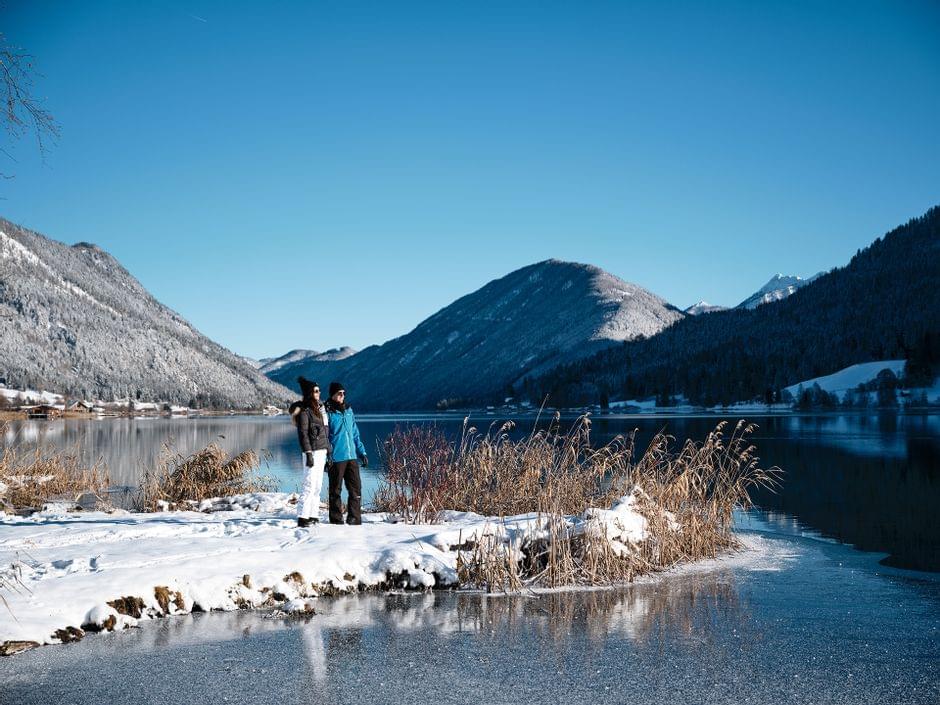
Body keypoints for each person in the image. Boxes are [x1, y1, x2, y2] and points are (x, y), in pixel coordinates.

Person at [324, 381, 368, 525]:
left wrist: (362, 452)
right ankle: (336, 520)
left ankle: (354, 519)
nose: (342, 396)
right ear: (333, 395)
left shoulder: (349, 410)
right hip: (336, 457)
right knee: (335, 491)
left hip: (352, 456)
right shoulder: (327, 412)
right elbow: (323, 437)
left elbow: (355, 433)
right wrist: (327, 457)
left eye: (343, 393)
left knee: (356, 489)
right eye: (339, 393)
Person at [291, 376, 331, 528]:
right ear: (309, 393)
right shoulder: (305, 412)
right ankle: (302, 516)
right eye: (315, 391)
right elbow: (303, 434)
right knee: (308, 485)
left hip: (321, 452)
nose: (318, 393)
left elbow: (324, 434)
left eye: (319, 390)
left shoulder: (319, 410)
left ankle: (313, 514)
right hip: (312, 452)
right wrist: (308, 453)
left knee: (317, 486)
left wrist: (328, 451)